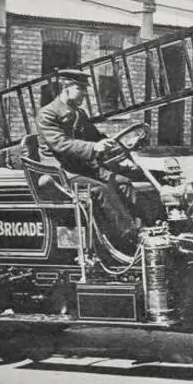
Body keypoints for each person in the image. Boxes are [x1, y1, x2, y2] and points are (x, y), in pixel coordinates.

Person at [36, 69, 142, 249]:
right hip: (63, 173)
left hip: (84, 169)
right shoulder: (47, 114)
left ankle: (140, 230)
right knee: (102, 190)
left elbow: (96, 136)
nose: (85, 94)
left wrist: (119, 145)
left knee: (124, 183)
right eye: (81, 88)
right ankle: (128, 239)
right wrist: (93, 147)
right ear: (66, 87)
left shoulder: (79, 113)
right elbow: (61, 144)